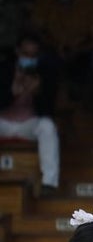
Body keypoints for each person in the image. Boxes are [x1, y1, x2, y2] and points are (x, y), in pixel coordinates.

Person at [0, 32, 59, 195]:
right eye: (26, 54)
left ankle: (49, 183)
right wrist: (12, 92)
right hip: (4, 122)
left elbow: (49, 111)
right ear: (18, 52)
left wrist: (38, 91)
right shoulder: (5, 69)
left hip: (29, 123)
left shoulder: (44, 72)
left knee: (48, 126)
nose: (29, 59)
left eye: (33, 55)